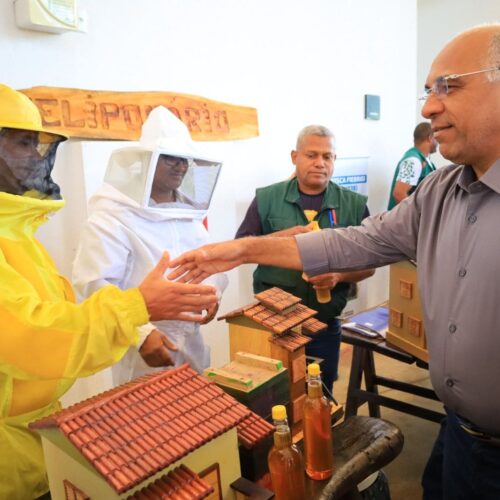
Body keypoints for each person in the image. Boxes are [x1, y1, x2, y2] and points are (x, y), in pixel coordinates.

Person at [169, 24, 500, 499]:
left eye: (449, 86)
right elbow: (356, 242)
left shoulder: (352, 196)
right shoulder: (438, 191)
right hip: (458, 435)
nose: (428, 107)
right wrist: (240, 249)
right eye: (428, 91)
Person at [0, 85, 218, 500]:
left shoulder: (18, 232)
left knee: (198, 443)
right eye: (23, 143)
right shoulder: (112, 215)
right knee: (150, 456)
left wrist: (209, 295)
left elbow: (57, 309)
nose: (35, 156)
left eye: (37, 143)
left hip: (36, 429)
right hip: (136, 352)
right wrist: (140, 325)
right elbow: (82, 296)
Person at [72, 106, 227, 385]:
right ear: (147, 161)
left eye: (184, 159)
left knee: (196, 418)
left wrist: (213, 292)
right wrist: (141, 333)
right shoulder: (112, 216)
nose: (181, 166)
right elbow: (94, 285)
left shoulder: (188, 214)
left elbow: (206, 261)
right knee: (144, 422)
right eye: (170, 158)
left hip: (192, 339)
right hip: (143, 348)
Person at [235, 125, 374, 395]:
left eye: (327, 156)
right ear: (294, 156)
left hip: (324, 324)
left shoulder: (354, 205)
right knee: (274, 394)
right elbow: (240, 249)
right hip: (273, 323)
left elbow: (370, 264)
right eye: (311, 155)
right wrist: (284, 237)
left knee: (320, 394)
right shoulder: (267, 198)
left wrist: (339, 276)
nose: (320, 163)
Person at [387, 121, 437, 209]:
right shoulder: (413, 161)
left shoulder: (423, 160)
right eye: (435, 138)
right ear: (430, 138)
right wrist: (418, 215)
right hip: (404, 221)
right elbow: (398, 194)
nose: (438, 142)